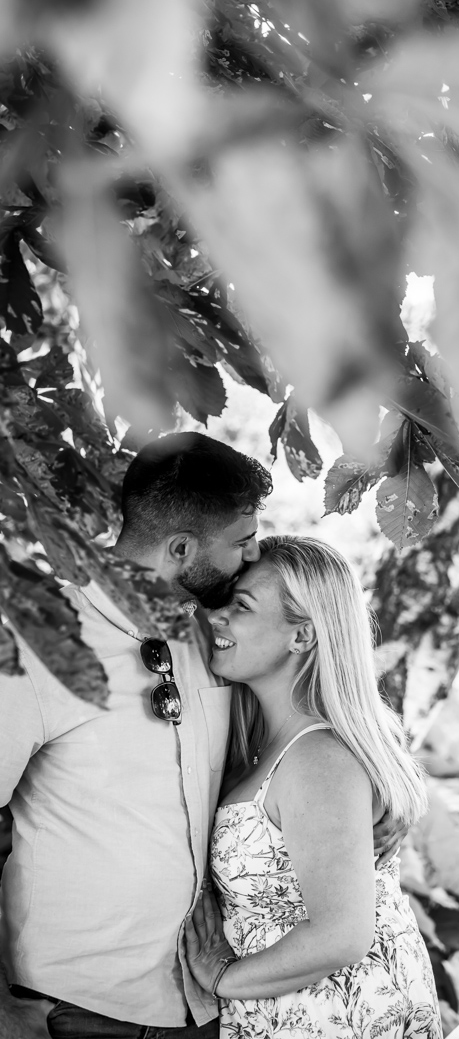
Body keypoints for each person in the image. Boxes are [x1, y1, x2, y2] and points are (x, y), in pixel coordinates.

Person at [0, 433, 272, 1038]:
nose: (254, 558)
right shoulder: (39, 639)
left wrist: (375, 803)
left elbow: (285, 742)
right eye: (242, 542)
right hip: (70, 1009)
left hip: (201, 1001)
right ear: (181, 547)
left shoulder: (220, 636)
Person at [184, 535, 442, 1039]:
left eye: (241, 606)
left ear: (301, 637)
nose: (216, 617)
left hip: (335, 1019)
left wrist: (222, 978)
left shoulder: (318, 758)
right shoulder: (268, 746)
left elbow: (341, 935)